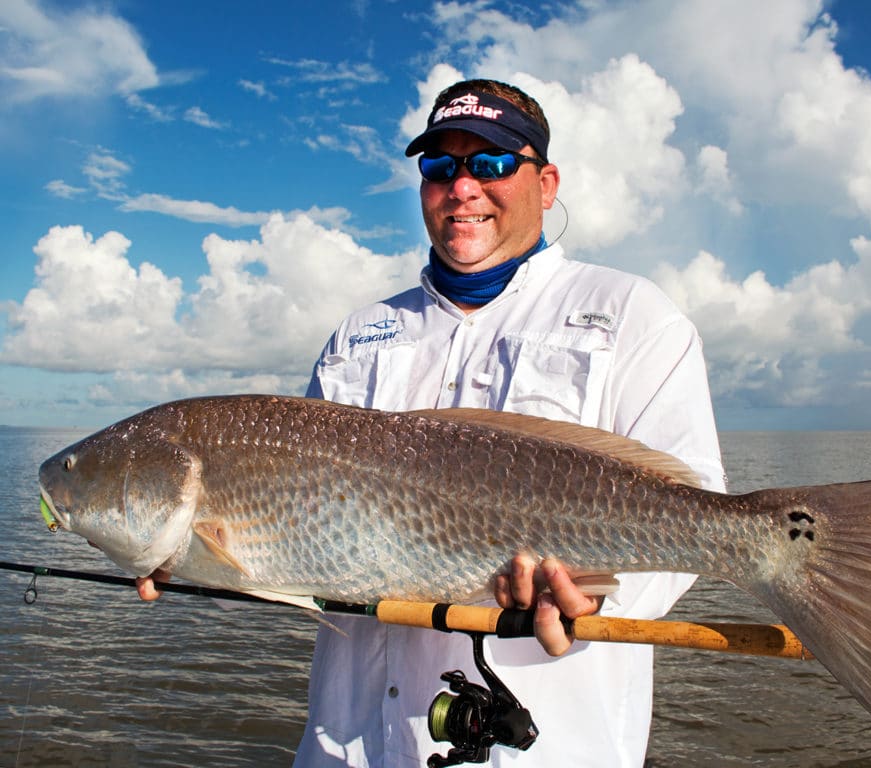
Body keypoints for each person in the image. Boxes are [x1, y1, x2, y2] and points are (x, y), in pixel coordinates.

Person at [140, 78, 726, 767]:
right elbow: (290, 552)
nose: (463, 186)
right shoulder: (356, 336)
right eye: (440, 167)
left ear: (547, 182)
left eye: (493, 163)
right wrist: (205, 557)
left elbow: (698, 509)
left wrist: (599, 602)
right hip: (343, 747)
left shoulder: (634, 315)